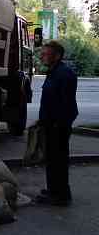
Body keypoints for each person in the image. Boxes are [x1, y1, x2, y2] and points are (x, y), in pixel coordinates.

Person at [35, 41, 78, 206]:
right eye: (43, 53)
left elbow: (65, 103)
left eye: (46, 54)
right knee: (53, 159)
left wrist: (57, 123)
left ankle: (60, 195)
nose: (42, 56)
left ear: (57, 56)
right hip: (51, 123)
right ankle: (54, 190)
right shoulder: (54, 72)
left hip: (58, 125)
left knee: (58, 160)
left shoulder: (64, 74)